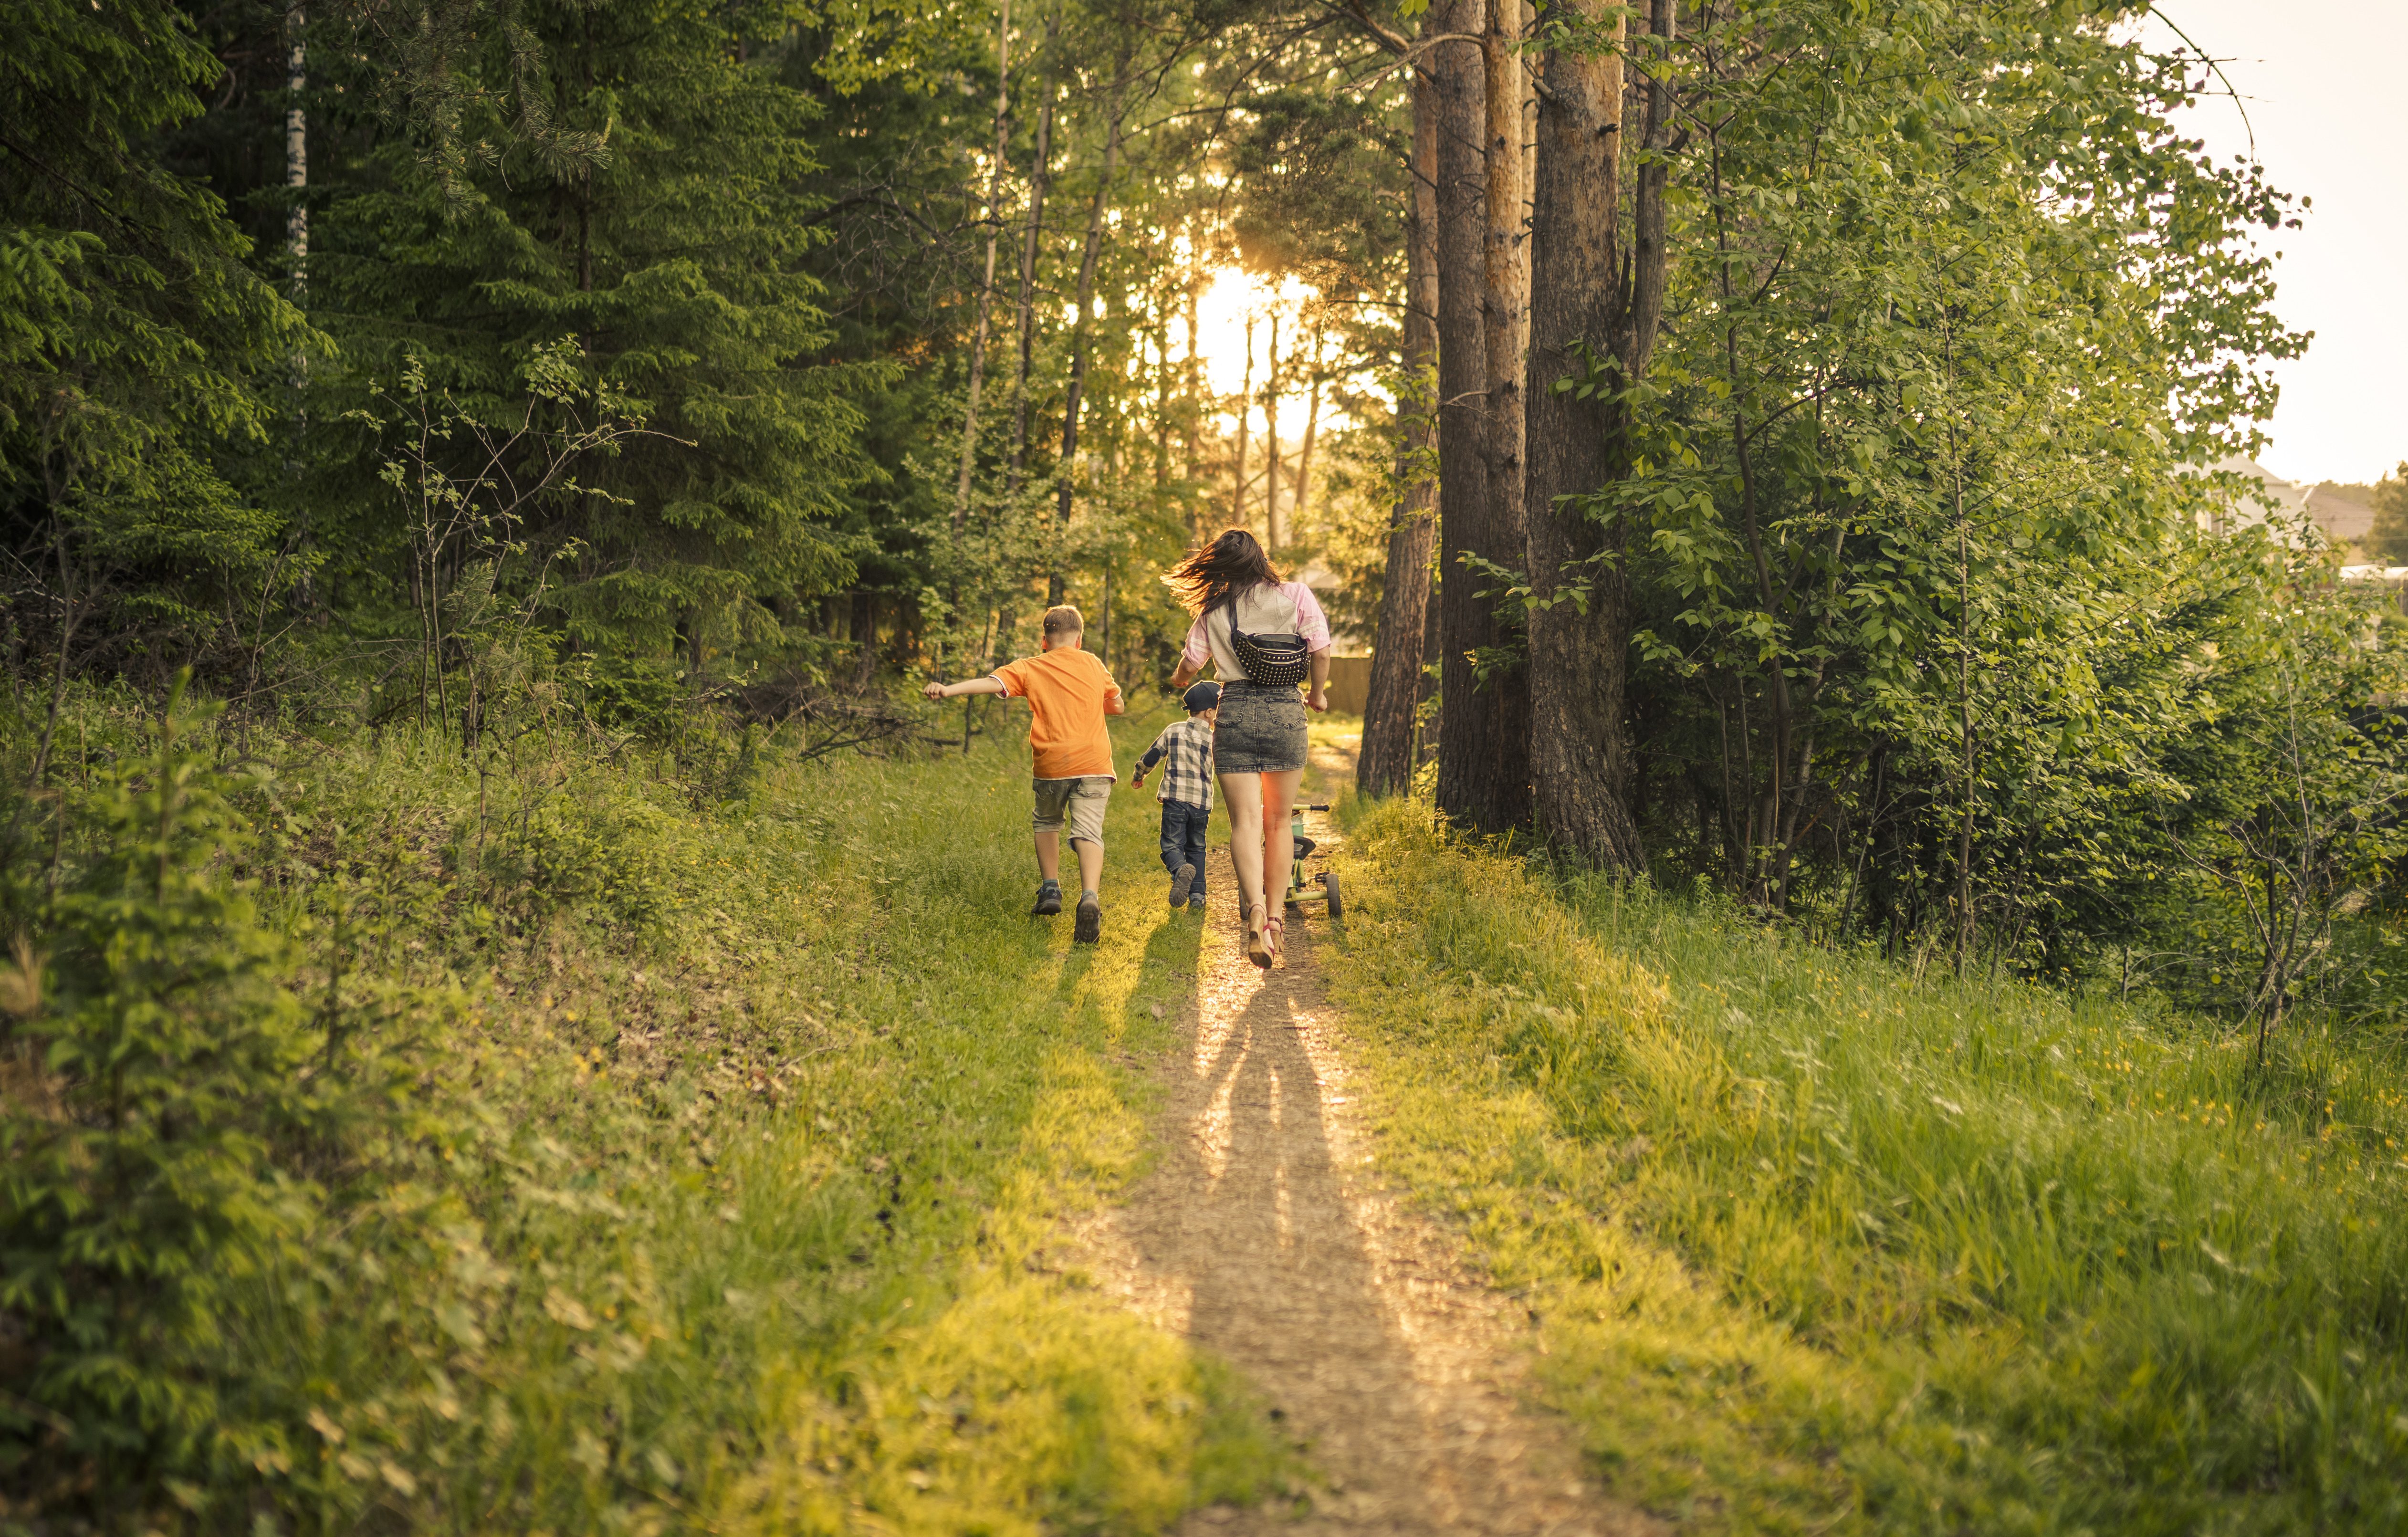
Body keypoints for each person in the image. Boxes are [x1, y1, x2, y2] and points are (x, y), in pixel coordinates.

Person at [1163, 528, 1330, 968]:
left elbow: (1189, 664)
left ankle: (1253, 908)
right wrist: (1319, 692)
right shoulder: (1296, 594)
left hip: (1233, 712)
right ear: (1261, 559)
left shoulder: (1213, 609)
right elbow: (1322, 650)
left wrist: (1181, 679)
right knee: (1278, 822)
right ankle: (1274, 921)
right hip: (1285, 713)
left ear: (1219, 567)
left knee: (1245, 822)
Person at [922, 605, 1125, 943]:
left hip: (1053, 763)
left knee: (1047, 821)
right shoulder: (1093, 663)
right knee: (1089, 831)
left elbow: (991, 684)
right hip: (1094, 763)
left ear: (1044, 640)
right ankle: (1089, 895)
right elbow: (1117, 704)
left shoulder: (1032, 666)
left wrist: (948, 689)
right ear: (1079, 640)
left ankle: (1051, 888)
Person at [1132, 680, 1221, 914]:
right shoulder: (1215, 739)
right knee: (1197, 847)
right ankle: (1198, 896)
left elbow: (1152, 756)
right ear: (1210, 712)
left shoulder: (1174, 730)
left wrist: (1139, 774)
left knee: (1171, 844)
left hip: (1175, 800)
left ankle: (1180, 869)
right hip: (1201, 804)